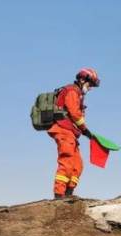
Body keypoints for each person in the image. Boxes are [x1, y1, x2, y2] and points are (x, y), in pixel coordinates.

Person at [49, 68, 100, 199]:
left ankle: (68, 193)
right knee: (66, 161)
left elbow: (76, 115)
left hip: (70, 132)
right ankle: (59, 195)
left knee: (77, 164)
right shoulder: (72, 91)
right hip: (63, 130)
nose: (90, 88)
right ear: (82, 80)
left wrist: (84, 131)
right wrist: (85, 130)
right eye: (90, 84)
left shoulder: (78, 94)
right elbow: (74, 113)